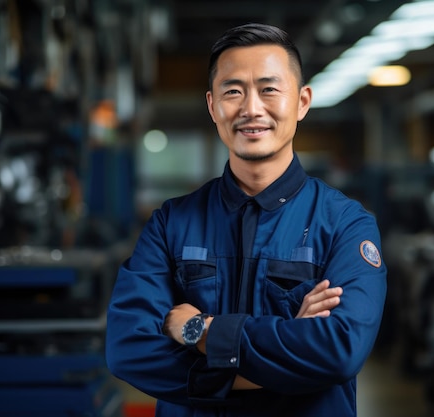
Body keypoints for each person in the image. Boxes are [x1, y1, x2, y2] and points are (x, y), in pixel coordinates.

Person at [106, 22, 387, 417]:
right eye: (233, 91)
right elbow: (128, 351)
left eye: (269, 89)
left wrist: (200, 330)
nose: (251, 108)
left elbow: (338, 351)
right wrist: (286, 355)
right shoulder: (171, 223)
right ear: (212, 106)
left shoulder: (345, 225)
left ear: (303, 101)